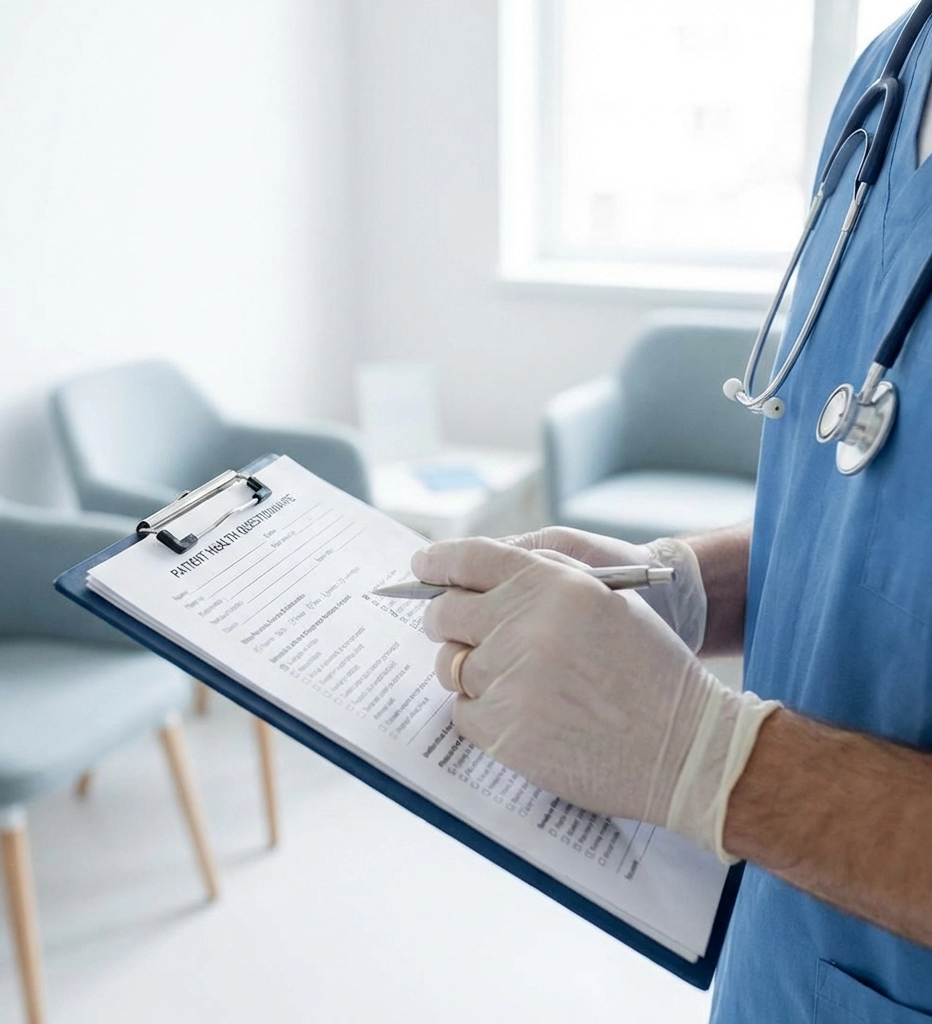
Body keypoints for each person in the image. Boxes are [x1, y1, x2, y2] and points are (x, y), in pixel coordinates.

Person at [415, 13, 932, 1021]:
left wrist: (704, 758)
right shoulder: (889, 71)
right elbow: (876, 513)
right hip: (780, 958)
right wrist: (683, 586)